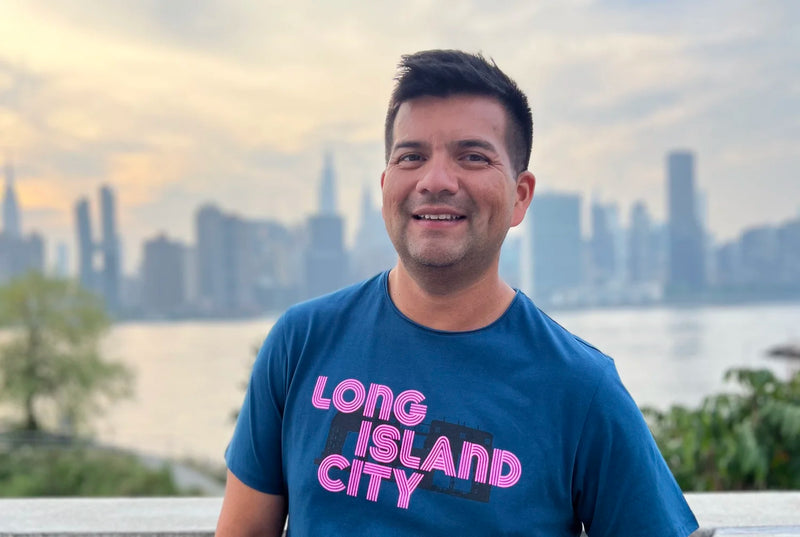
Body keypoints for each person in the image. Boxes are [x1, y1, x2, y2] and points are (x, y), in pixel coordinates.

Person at [216, 49, 699, 537]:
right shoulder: (300, 343)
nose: (435, 181)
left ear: (520, 196)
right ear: (386, 186)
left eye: (472, 156)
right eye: (412, 157)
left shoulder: (581, 388)